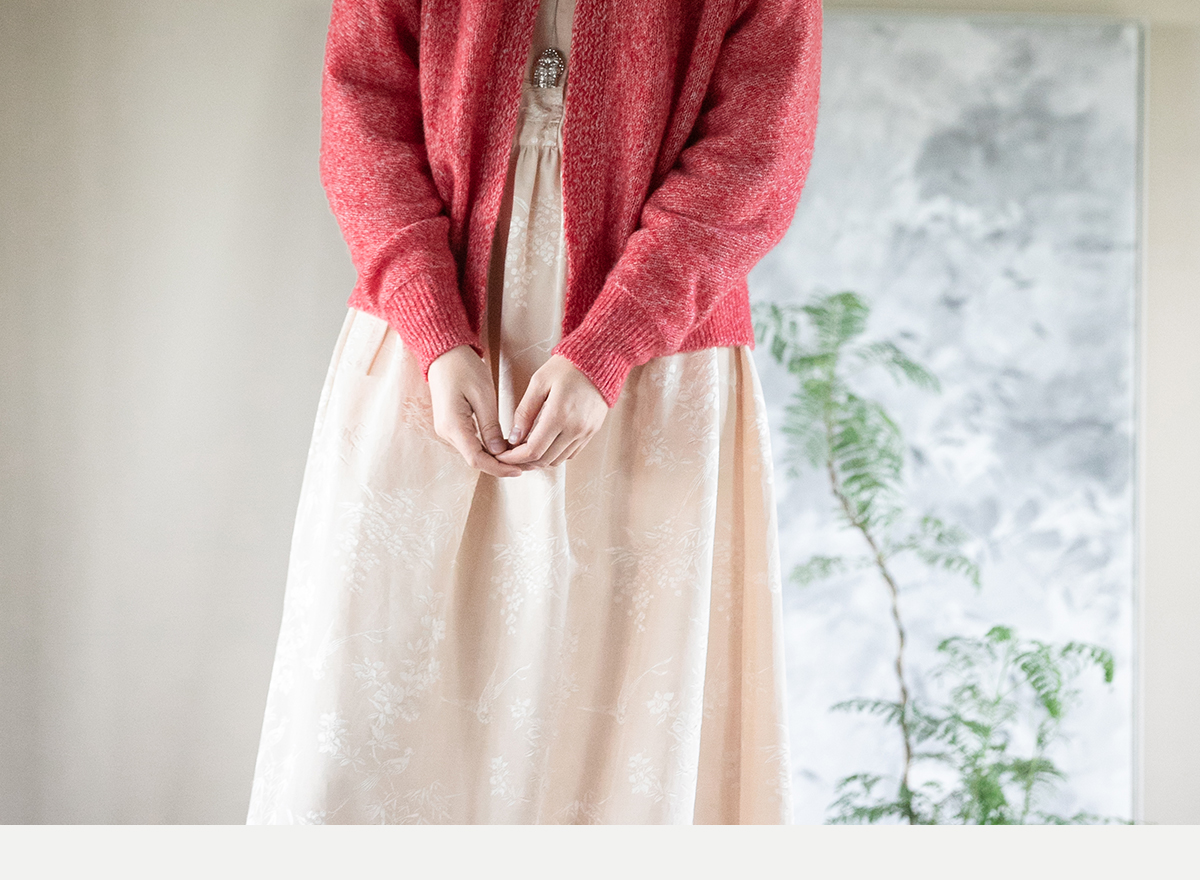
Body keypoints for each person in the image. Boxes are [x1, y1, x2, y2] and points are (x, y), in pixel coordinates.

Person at [247, 0, 822, 824]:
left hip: (657, 361)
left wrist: (614, 342)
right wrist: (434, 331)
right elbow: (362, 111)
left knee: (616, 715)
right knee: (374, 705)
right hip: (429, 345)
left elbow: (758, 154)